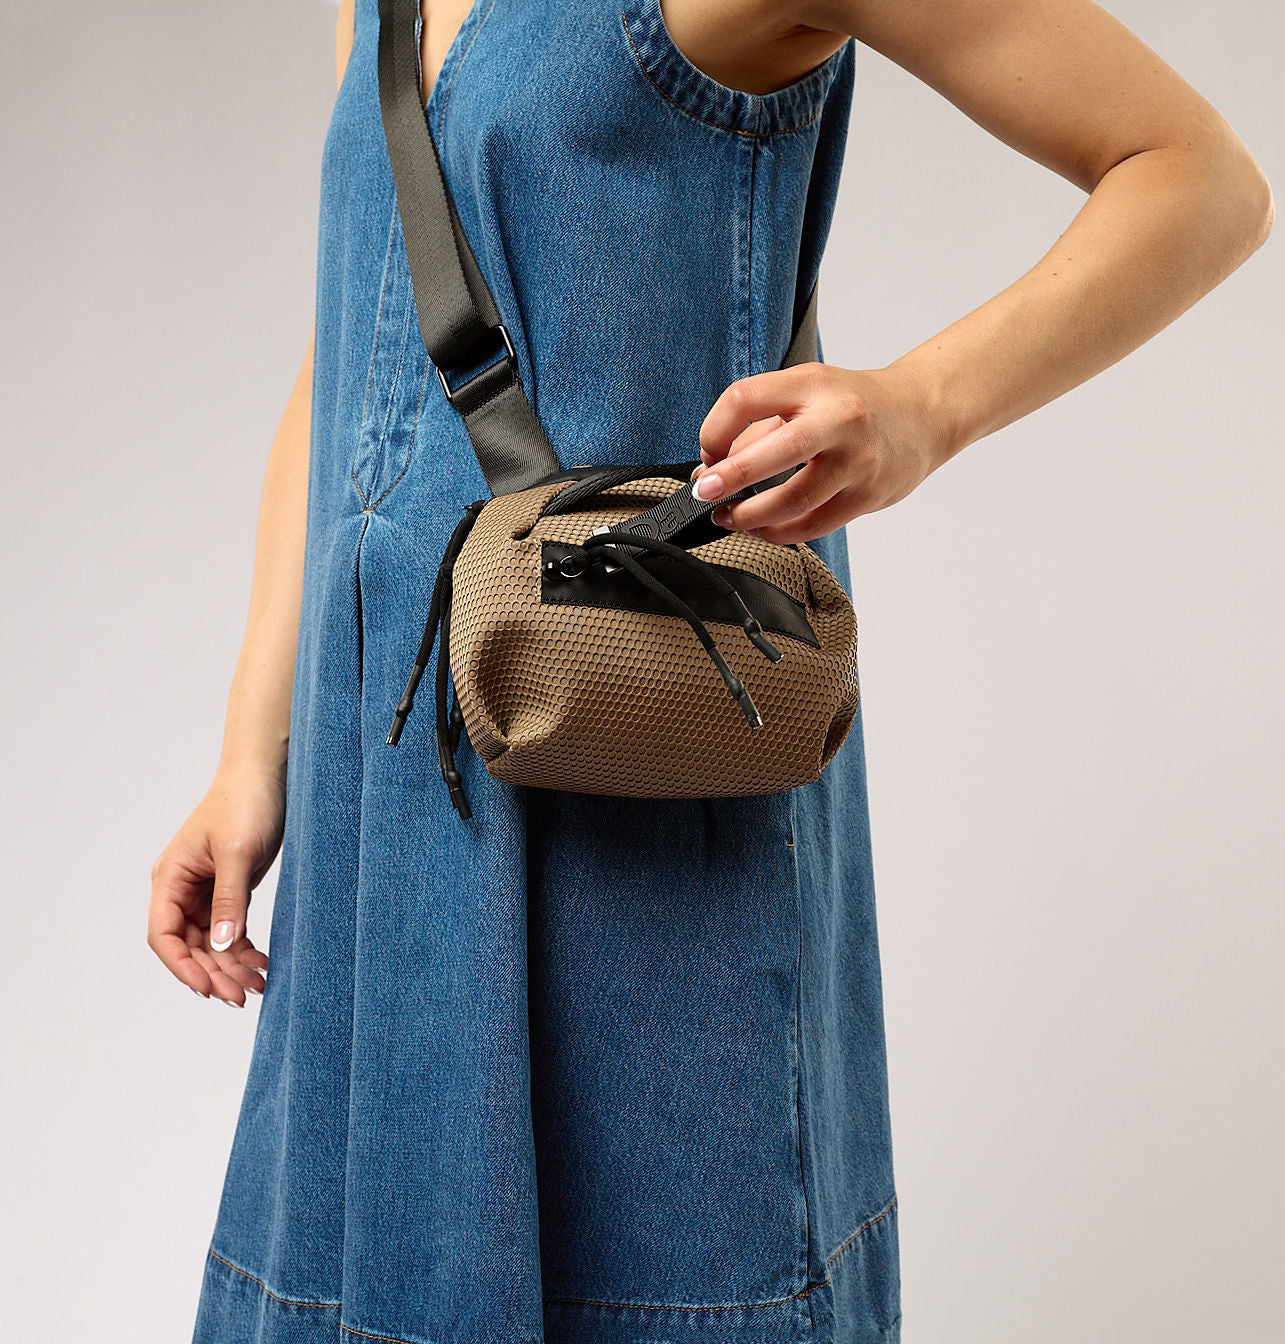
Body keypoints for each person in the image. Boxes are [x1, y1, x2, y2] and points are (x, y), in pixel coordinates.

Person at [148, 0, 1272, 1341]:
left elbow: (1196, 179)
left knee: (667, 1256)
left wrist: (922, 406)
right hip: (391, 772)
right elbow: (349, 355)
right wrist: (249, 748)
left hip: (641, 740)